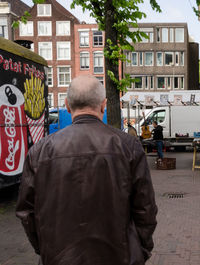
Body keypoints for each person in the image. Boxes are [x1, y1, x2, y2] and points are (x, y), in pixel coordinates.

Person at [16, 75, 157, 265]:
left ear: (67, 105)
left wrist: (46, 249)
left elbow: (27, 212)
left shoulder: (40, 151)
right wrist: (139, 250)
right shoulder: (129, 146)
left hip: (59, 258)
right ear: (103, 105)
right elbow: (145, 209)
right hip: (119, 257)